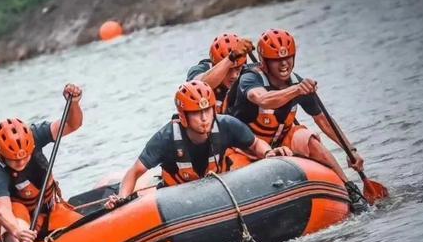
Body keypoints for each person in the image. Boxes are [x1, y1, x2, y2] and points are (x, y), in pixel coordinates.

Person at [230, 28, 367, 212]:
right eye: (277, 60)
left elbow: (323, 120)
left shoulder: (298, 82)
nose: (284, 64)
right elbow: (263, 99)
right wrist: (296, 91)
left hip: (279, 142)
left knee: (307, 137)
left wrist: (351, 151)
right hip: (246, 147)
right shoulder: (250, 78)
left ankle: (349, 189)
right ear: (264, 62)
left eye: (288, 58)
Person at [105, 80, 291, 208]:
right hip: (177, 200)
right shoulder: (166, 137)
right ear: (184, 116)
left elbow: (256, 145)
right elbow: (134, 172)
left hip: (219, 190)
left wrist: (269, 154)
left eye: (207, 111)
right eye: (196, 113)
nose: (204, 118)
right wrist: (122, 199)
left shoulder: (226, 124)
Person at [0, 84, 84, 242]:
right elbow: (3, 211)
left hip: (47, 209)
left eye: (25, 156)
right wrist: (17, 231)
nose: (21, 162)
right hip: (16, 215)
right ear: (2, 155)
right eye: (14, 160)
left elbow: (72, 125)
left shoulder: (35, 134)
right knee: (14, 225)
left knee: (82, 229)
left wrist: (74, 104)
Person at [186, 33, 255, 114]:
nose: (234, 76)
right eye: (228, 70)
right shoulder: (200, 69)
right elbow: (198, 86)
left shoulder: (249, 72)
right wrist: (231, 58)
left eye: (237, 68)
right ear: (214, 65)